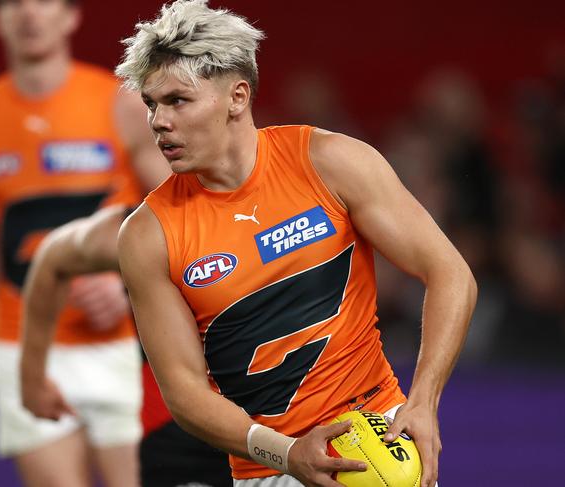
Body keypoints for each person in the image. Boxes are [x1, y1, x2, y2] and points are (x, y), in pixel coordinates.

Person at [111, 1, 478, 486]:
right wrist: (285, 454)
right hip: (270, 467)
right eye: (151, 104)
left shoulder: (329, 162)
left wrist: (424, 401)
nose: (158, 121)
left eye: (178, 100)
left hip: (379, 443)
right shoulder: (147, 234)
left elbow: (450, 272)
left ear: (237, 97)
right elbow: (184, 393)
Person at [0, 0, 168, 486]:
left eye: (44, 2)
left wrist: (125, 286)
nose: (29, 14)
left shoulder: (120, 103)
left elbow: (184, 214)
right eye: (14, 4)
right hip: (21, 344)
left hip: (118, 342)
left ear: (70, 16)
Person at [20, 204, 232, 486]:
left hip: (282, 423)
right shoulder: (146, 225)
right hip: (180, 436)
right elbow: (52, 256)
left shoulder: (295, 194)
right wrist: (32, 379)